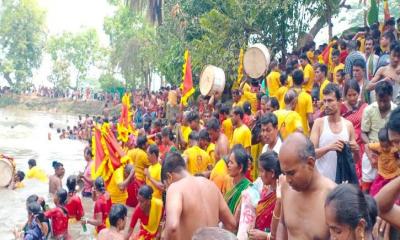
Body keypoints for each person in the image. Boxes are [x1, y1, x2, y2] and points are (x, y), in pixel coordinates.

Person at [162, 152, 236, 239]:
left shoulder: (175, 188)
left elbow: (172, 227)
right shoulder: (211, 185)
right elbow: (231, 224)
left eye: (166, 186)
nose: (167, 190)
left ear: (169, 177)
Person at [277, 133, 336, 239]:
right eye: (284, 173)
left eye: (291, 173)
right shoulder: (285, 187)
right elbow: (282, 223)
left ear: (310, 163)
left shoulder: (332, 196)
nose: (288, 180)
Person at [310, 83, 358, 182]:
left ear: (340, 102)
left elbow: (354, 160)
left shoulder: (348, 125)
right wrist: (329, 147)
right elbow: (311, 154)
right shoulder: (319, 123)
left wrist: (356, 150)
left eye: (330, 101)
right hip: (322, 183)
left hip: (342, 184)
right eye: (324, 101)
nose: (326, 105)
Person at [362, 81, 396, 192]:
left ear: (391, 96)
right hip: (372, 151)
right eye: (379, 100)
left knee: (389, 187)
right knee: (367, 185)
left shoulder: (396, 112)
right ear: (375, 96)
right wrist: (370, 151)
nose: (382, 104)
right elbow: (363, 133)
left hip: (391, 153)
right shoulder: (368, 110)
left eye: (385, 101)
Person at [248, 151, 282, 240]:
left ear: (272, 173)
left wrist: (265, 236)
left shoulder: (281, 196)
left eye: (261, 171)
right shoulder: (265, 187)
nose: (259, 175)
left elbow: (284, 232)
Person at [340, 80, 368, 179]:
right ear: (345, 95)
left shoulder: (363, 106)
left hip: (363, 145)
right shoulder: (341, 108)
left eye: (354, 94)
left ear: (358, 93)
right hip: (349, 147)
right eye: (349, 95)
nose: (352, 98)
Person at [368, 127, 400, 198]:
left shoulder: (395, 148)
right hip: (382, 174)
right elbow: (367, 146)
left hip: (394, 174)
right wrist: (372, 156)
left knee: (393, 195)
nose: (385, 149)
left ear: (391, 143)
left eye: (387, 146)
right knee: (375, 193)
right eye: (383, 146)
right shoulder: (377, 146)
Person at [224, 145, 251, 216]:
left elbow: (235, 222)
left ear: (240, 168)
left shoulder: (248, 188)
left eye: (231, 162)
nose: (228, 165)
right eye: (229, 162)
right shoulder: (228, 180)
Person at [292, 69, 314, 135]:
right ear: (302, 81)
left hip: (290, 133)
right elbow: (310, 120)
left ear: (292, 81)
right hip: (303, 134)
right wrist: (312, 130)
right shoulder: (307, 96)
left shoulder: (287, 94)